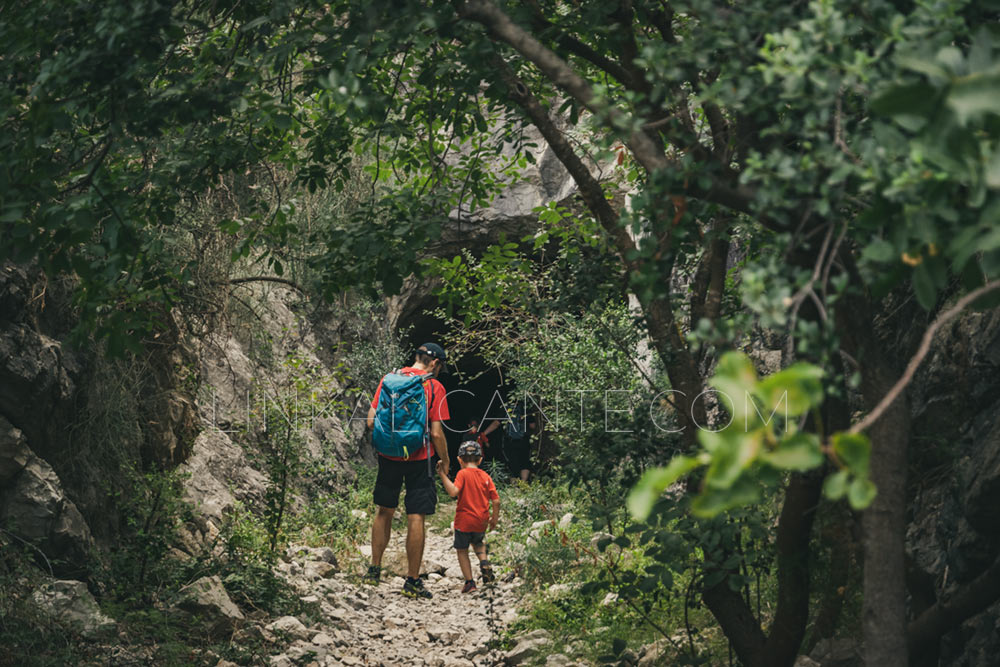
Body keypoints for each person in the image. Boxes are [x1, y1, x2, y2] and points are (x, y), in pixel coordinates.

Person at [365, 343, 450, 599]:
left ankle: (374, 570)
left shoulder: (390, 379)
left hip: (389, 455)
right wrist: (445, 461)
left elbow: (371, 421)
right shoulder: (434, 387)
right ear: (434, 363)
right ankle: (412, 581)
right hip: (419, 458)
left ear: (416, 357)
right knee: (416, 517)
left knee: (384, 511)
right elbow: (436, 432)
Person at [436, 440, 500, 594]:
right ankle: (484, 563)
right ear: (480, 460)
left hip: (464, 521)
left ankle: (470, 582)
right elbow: (496, 500)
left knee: (462, 550)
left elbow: (453, 492)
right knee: (478, 543)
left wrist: (442, 475)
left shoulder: (462, 474)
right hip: (481, 520)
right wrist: (494, 519)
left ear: (459, 460)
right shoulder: (485, 476)